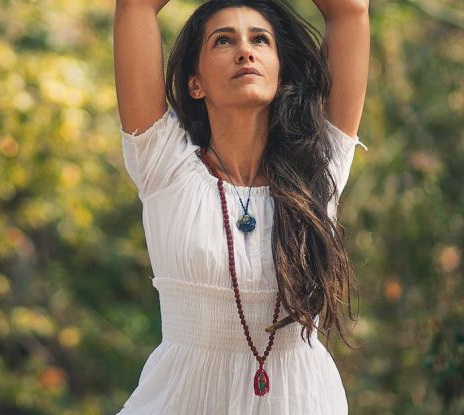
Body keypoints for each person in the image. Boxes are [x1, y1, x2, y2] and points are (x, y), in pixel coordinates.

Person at [113, 0, 370, 412]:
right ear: (195, 83)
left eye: (260, 39)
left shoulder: (317, 167)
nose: (245, 51)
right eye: (223, 40)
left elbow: (350, 11)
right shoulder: (164, 165)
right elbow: (135, 6)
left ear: (280, 69)